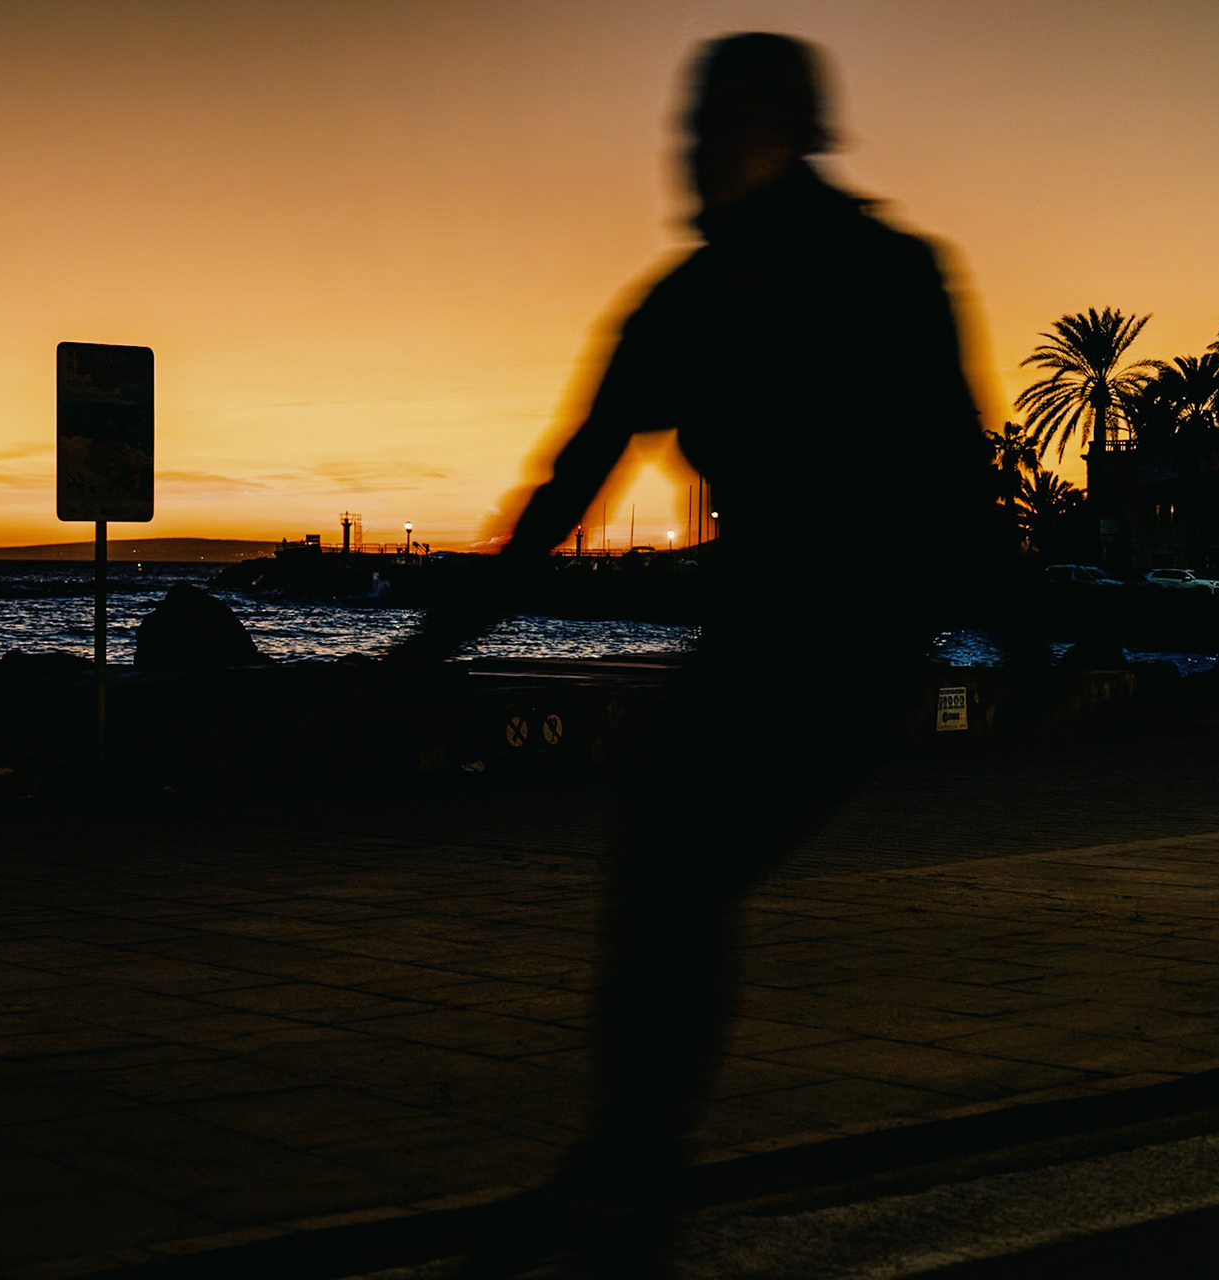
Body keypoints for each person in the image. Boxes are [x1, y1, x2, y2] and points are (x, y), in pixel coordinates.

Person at [396, 33, 1000, 1278]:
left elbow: (953, 471)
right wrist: (445, 632)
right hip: (775, 635)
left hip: (844, 636)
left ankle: (634, 1167)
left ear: (783, 127)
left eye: (710, 119)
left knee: (674, 865)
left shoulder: (877, 273)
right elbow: (572, 479)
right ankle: (635, 1161)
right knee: (672, 872)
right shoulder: (694, 296)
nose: (682, 144)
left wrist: (963, 613)